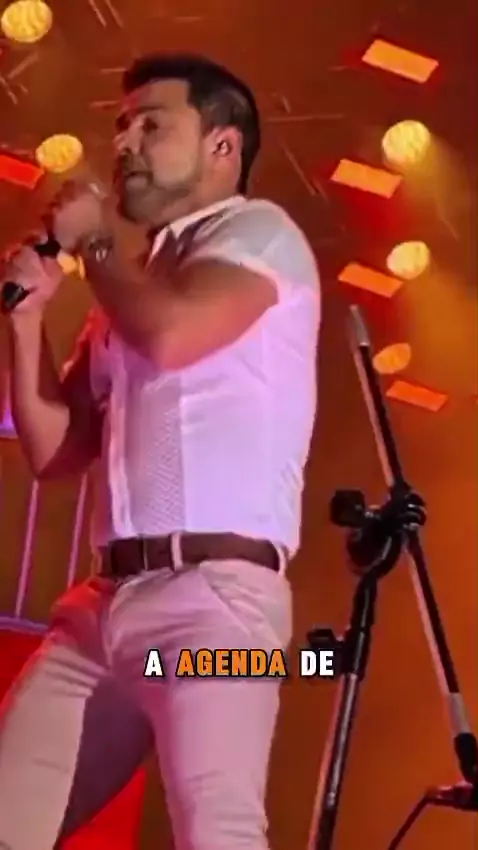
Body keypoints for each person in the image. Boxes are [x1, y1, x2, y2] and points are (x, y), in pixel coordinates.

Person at [0, 54, 320, 850]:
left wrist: (96, 241)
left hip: (214, 609)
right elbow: (56, 451)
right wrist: (26, 321)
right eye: (122, 126)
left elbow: (173, 335)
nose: (126, 143)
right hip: (104, 607)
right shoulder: (133, 284)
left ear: (222, 145)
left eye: (152, 125)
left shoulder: (259, 233)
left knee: (217, 831)